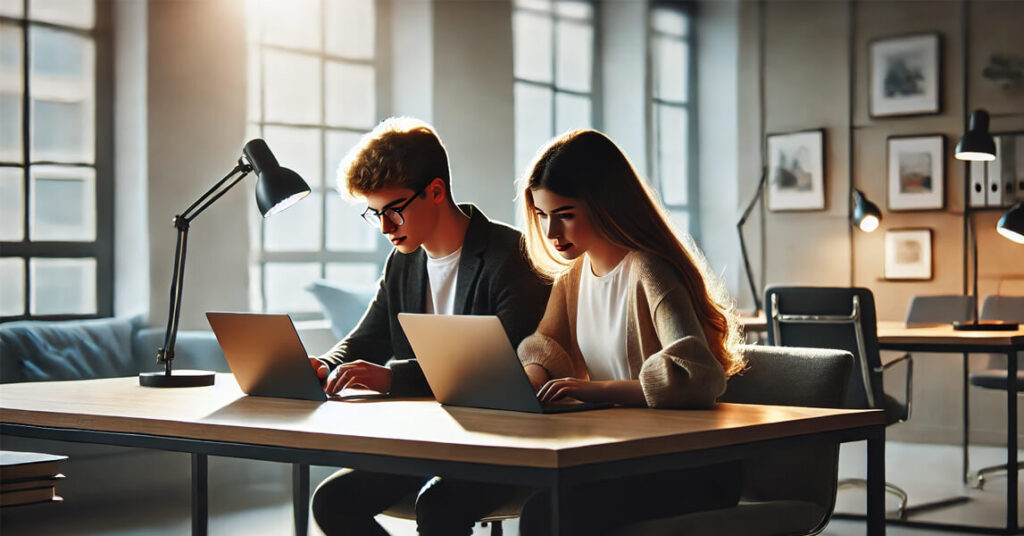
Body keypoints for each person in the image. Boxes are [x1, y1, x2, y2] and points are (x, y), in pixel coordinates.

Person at [308, 117, 550, 536]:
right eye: (375, 214)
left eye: (394, 211)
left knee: (438, 504)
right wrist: (324, 365)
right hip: (427, 439)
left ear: (435, 191)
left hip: (501, 444)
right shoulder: (403, 260)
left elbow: (498, 368)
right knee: (332, 502)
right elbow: (368, 337)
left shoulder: (511, 257)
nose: (384, 228)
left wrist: (391, 377)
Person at [515, 129, 747, 535]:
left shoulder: (650, 270)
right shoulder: (573, 276)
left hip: (686, 466)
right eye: (542, 215)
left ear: (606, 205)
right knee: (540, 504)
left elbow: (699, 375)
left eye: (565, 214)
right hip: (619, 454)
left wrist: (597, 390)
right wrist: (529, 384)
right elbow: (547, 345)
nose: (552, 233)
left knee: (546, 514)